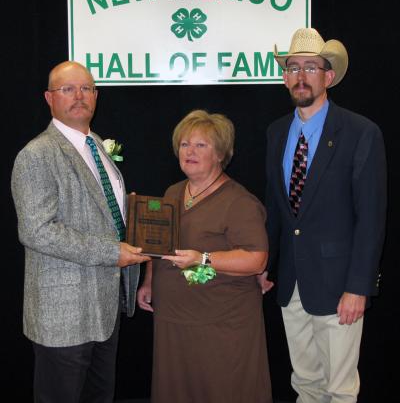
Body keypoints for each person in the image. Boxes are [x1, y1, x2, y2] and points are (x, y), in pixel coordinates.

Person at [259, 28, 387, 402]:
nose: (301, 75)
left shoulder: (361, 132)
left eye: (311, 67)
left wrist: (359, 287)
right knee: (306, 384)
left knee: (341, 389)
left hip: (339, 288)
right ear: (285, 77)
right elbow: (277, 210)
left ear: (328, 77)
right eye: (293, 67)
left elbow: (371, 218)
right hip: (292, 285)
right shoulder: (276, 133)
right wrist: (267, 265)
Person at [11, 61, 151, 403]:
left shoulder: (98, 146)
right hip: (63, 314)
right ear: (49, 98)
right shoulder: (37, 155)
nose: (78, 96)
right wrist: (111, 252)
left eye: (86, 88)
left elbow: (101, 213)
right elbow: (37, 231)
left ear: (96, 96)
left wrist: (132, 215)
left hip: (104, 308)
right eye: (67, 89)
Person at [137, 110, 273, 403]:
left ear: (221, 153)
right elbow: (157, 243)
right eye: (184, 144)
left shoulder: (240, 202)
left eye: (201, 145)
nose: (190, 151)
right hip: (174, 322)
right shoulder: (173, 192)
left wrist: (204, 258)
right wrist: (149, 281)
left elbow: (256, 260)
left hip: (220, 326)